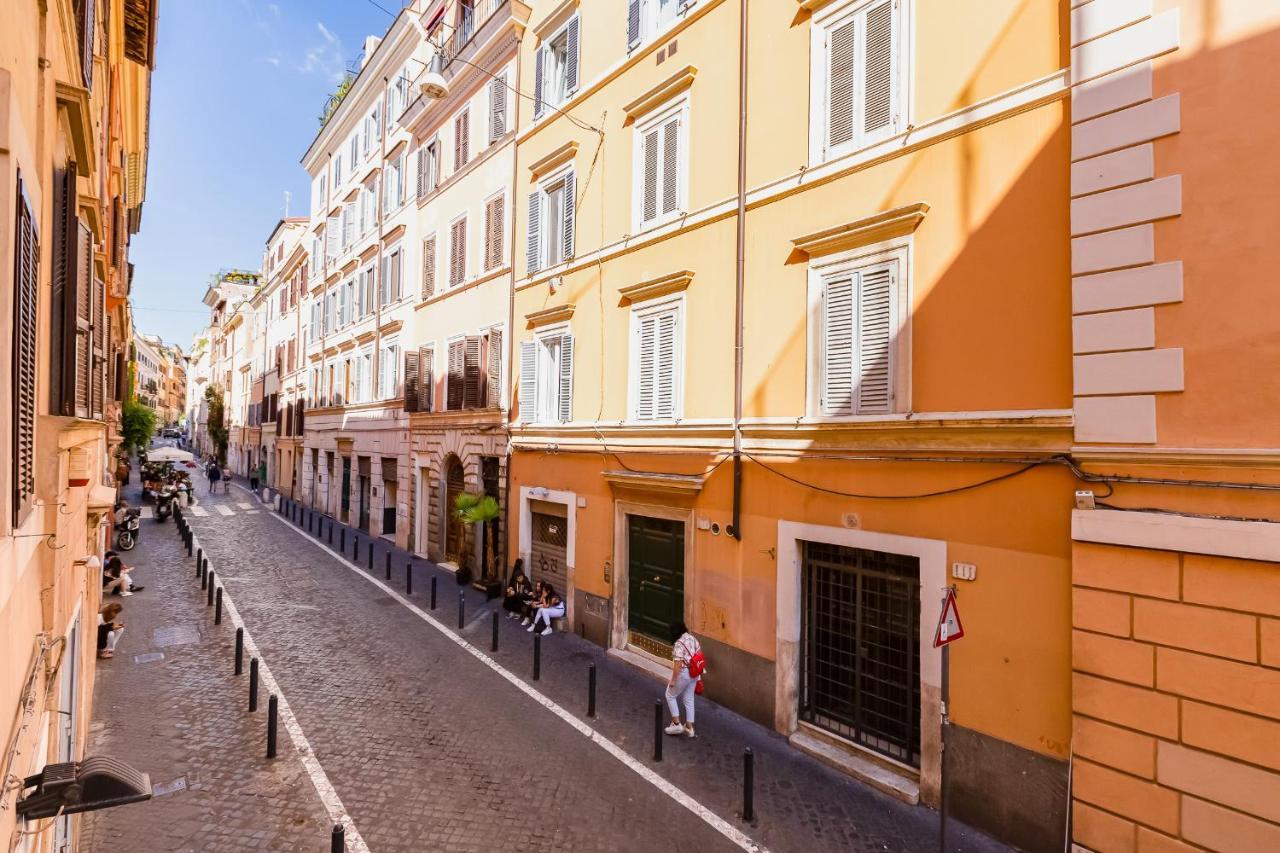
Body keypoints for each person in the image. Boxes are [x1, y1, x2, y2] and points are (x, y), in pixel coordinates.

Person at [664, 621, 703, 738]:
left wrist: (673, 681)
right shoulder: (692, 638)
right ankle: (689, 728)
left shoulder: (678, 644)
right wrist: (699, 676)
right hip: (694, 673)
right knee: (689, 698)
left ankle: (676, 724)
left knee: (670, 695)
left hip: (684, 673)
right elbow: (699, 656)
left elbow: (678, 666)